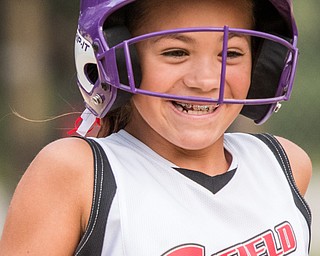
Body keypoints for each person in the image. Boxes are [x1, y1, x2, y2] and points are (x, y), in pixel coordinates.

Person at [0, 0, 312, 255]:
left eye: (230, 53)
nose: (205, 82)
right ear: (118, 61)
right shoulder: (81, 174)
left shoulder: (283, 165)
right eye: (176, 52)